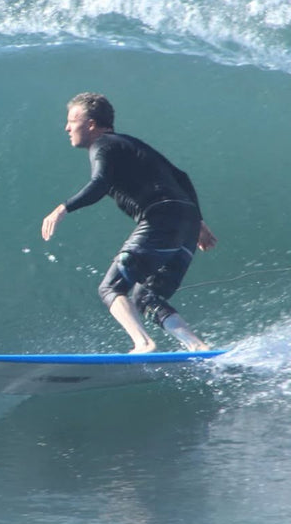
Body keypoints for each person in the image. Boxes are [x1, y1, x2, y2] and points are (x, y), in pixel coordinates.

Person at [41, 92, 216, 353]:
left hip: (160, 219)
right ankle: (198, 346)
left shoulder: (104, 145)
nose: (67, 127)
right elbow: (182, 176)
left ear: (90, 124)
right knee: (145, 297)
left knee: (110, 288)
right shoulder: (128, 144)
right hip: (185, 223)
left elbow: (100, 184)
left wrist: (63, 208)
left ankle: (143, 343)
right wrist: (198, 221)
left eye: (72, 120)